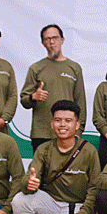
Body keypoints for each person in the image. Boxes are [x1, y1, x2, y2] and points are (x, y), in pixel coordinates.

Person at [11, 100, 100, 214]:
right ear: (52, 124)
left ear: (77, 125)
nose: (62, 125)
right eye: (58, 120)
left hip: (77, 206)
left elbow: (95, 188)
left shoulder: (89, 150)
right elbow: (29, 178)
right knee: (19, 200)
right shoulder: (44, 149)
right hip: (51, 203)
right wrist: (29, 184)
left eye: (68, 120)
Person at [20, 24, 87, 152]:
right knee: (41, 171)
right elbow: (24, 100)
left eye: (55, 38)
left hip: (67, 133)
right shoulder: (36, 68)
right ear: (43, 43)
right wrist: (33, 97)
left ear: (62, 40)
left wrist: (78, 131)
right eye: (47, 39)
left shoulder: (74, 68)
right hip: (42, 134)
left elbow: (80, 102)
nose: (51, 42)